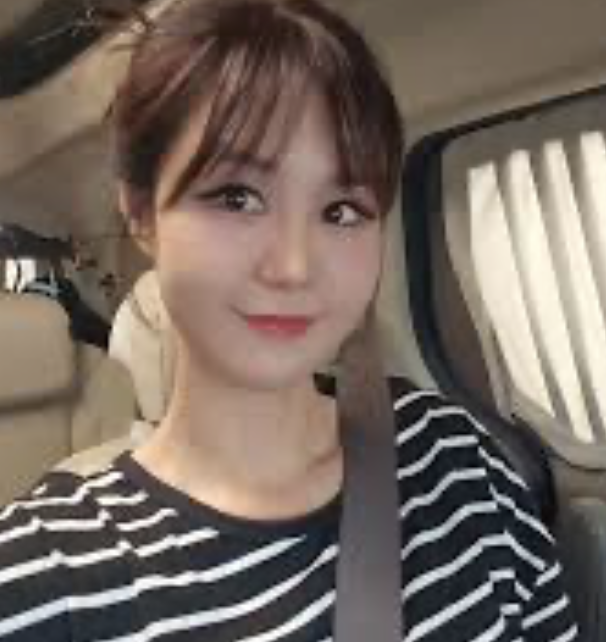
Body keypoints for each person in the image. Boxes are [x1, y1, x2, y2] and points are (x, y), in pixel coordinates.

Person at [0, 1, 578, 640]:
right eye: (237, 197)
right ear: (141, 214)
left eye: (342, 211)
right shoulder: (45, 575)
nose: (294, 267)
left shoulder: (454, 458)